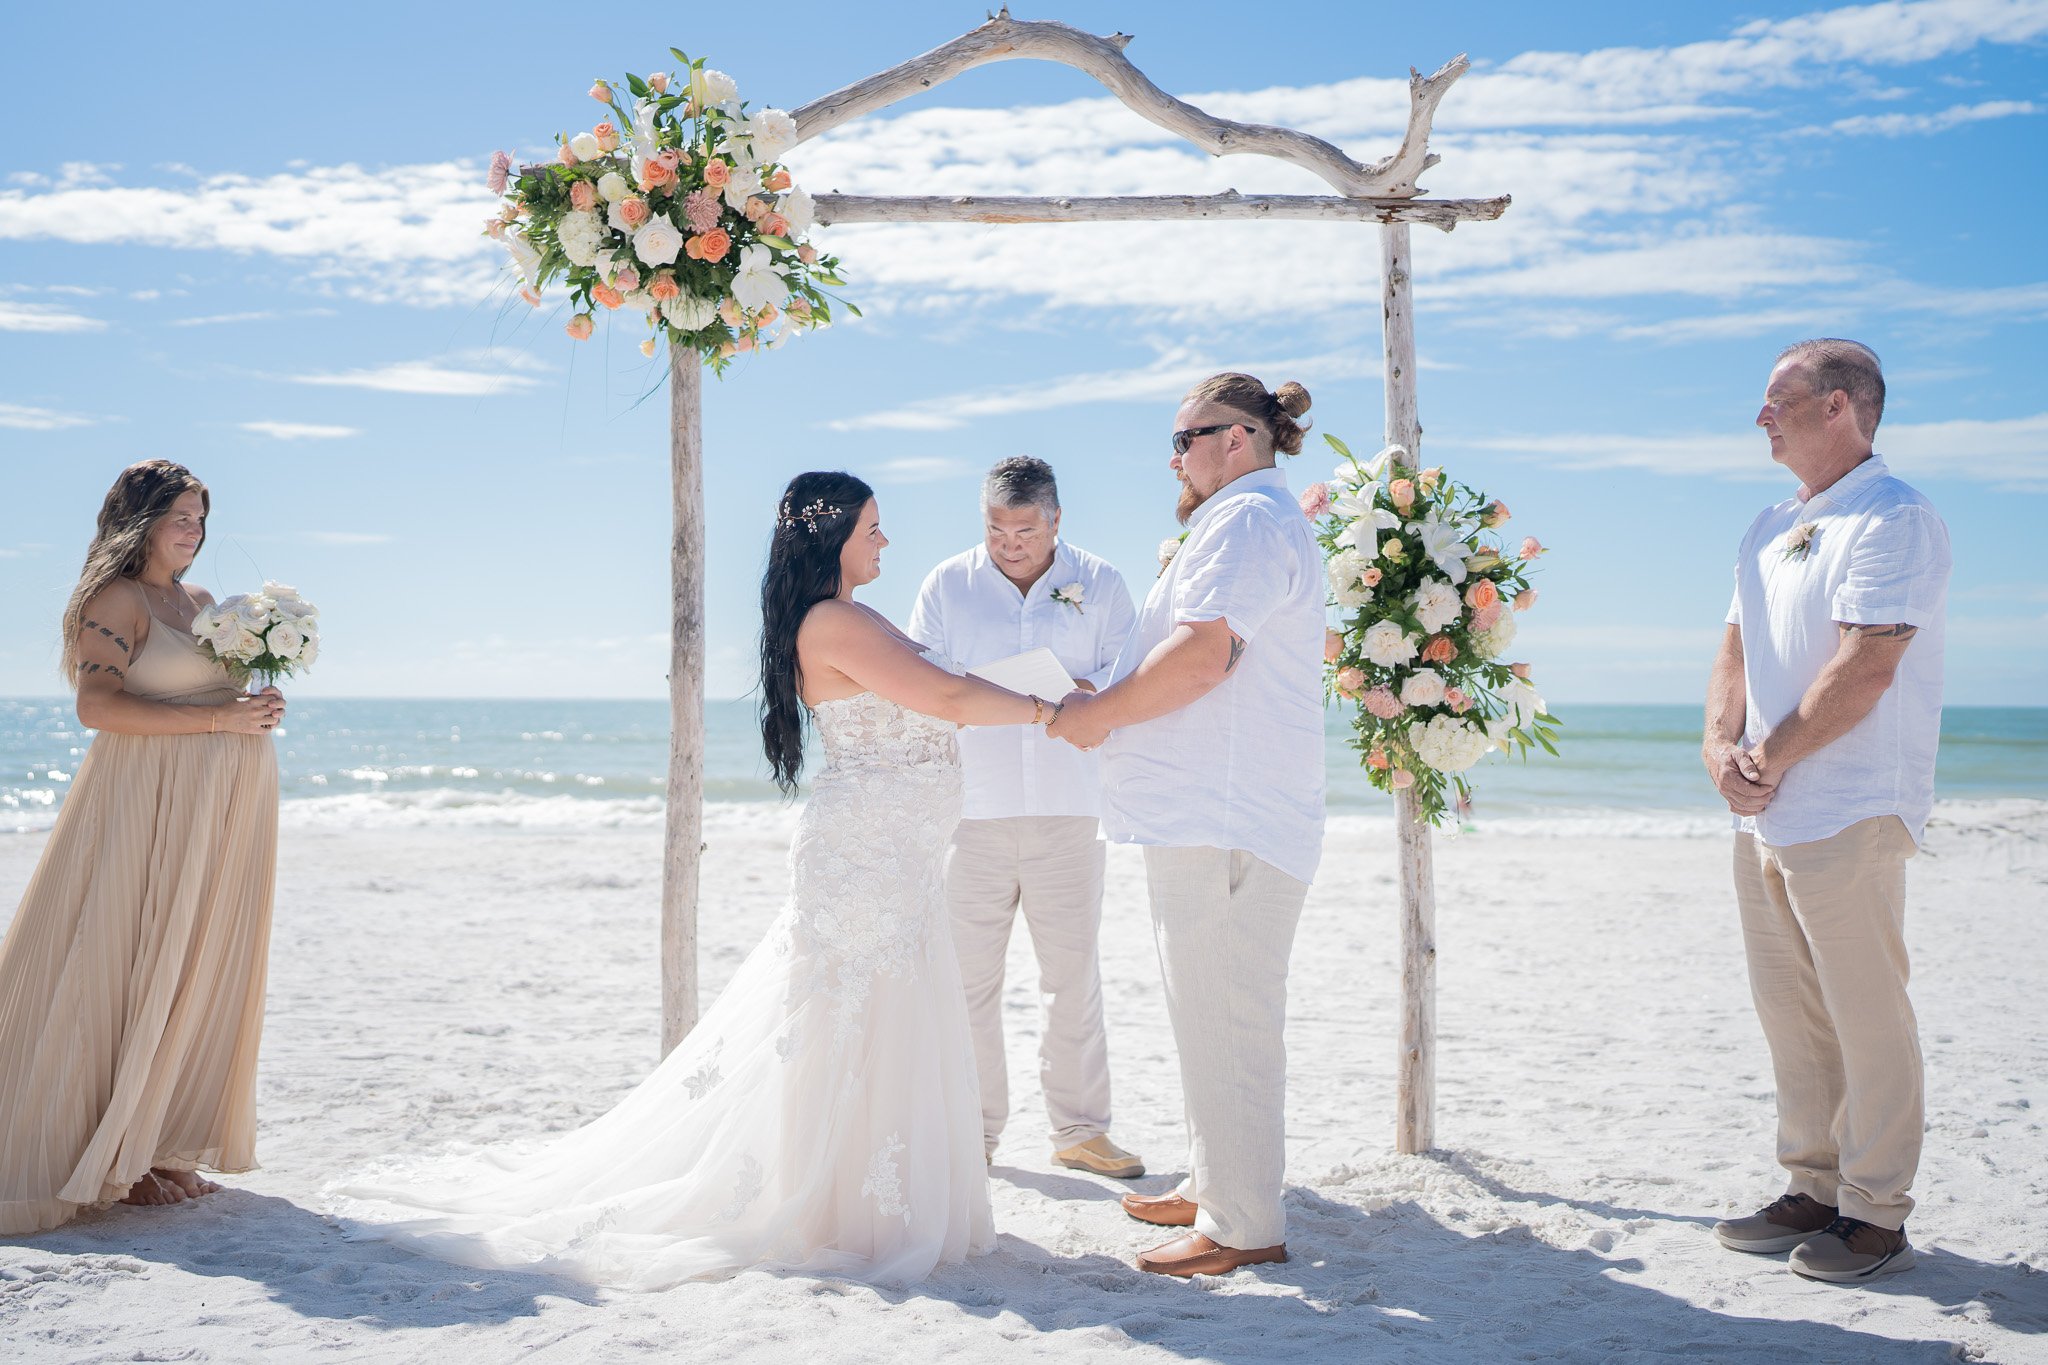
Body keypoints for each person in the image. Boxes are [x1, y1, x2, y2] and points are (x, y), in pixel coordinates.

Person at [331, 472, 1058, 1289]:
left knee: (891, 1018)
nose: (885, 540)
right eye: (873, 528)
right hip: (867, 856)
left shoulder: (861, 615)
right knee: (850, 1021)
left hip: (901, 857)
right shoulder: (830, 622)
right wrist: (1050, 711)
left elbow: (944, 683)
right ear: (835, 539)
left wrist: (1038, 688)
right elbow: (948, 695)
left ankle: (875, 1200)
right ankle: (843, 1209)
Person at [1048, 374, 1325, 1278]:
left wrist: (1102, 715)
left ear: (1238, 438)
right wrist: (1108, 694)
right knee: (1208, 1012)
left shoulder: (1247, 520)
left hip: (1226, 813)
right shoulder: (1246, 518)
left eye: (1184, 438)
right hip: (1215, 809)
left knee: (1230, 1017)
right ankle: (1217, 1185)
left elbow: (1206, 655)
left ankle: (1242, 1224)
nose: (1172, 458)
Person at [1703, 339, 1950, 1284]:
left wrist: (1768, 758)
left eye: (1780, 398)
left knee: (1866, 1011)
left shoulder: (1894, 514)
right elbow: (1734, 649)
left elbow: (1868, 663)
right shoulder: (1768, 524)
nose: (1761, 415)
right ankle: (1813, 1184)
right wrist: (1719, 749)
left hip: (1853, 803)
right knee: (1793, 1013)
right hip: (1764, 810)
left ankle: (1876, 1212)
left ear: (1839, 405)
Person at [0, 460, 285, 1236]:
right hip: (145, 802)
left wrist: (254, 705)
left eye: (200, 517)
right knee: (126, 956)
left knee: (192, 960)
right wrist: (220, 721)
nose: (194, 530)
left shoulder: (201, 603)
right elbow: (97, 707)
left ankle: (156, 1142)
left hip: (219, 806)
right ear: (141, 520)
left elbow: (205, 692)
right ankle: (114, 1153)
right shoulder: (115, 600)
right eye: (179, 516)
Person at [907, 457, 1141, 1178]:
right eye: (996, 530)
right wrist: (980, 696)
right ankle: (972, 1133)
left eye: (1026, 531)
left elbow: (1131, 676)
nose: (1010, 545)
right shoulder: (947, 583)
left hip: (1070, 808)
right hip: (970, 813)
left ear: (1056, 519)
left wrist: (1075, 691)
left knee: (1071, 977)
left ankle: (1079, 1129)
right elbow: (921, 684)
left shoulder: (1101, 581)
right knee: (966, 982)